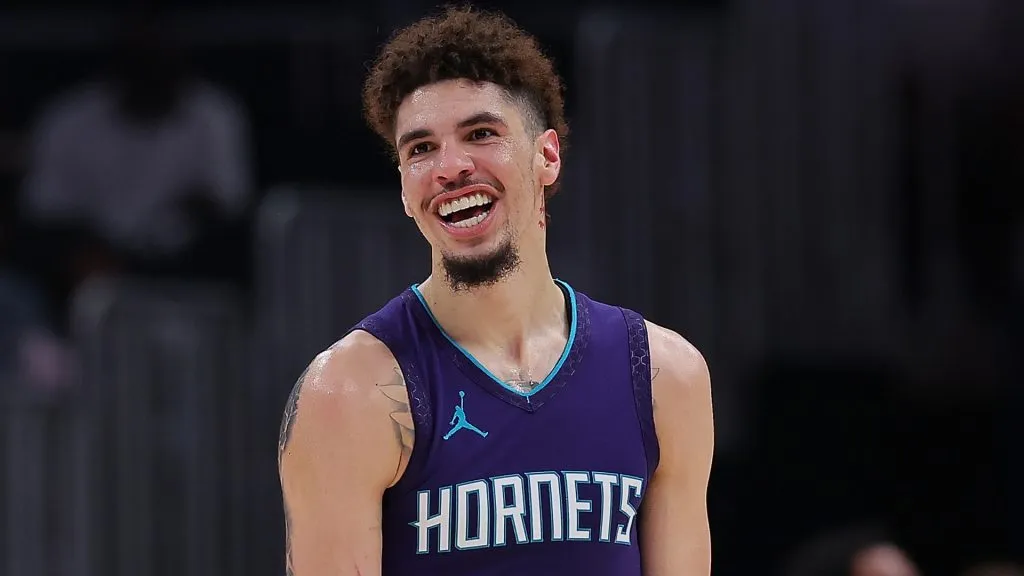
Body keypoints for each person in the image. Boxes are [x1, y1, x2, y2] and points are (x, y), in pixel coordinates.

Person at [277, 6, 714, 575]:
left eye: (481, 134)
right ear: (404, 186)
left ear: (547, 156)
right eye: (420, 149)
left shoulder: (665, 376)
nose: (450, 167)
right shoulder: (350, 392)